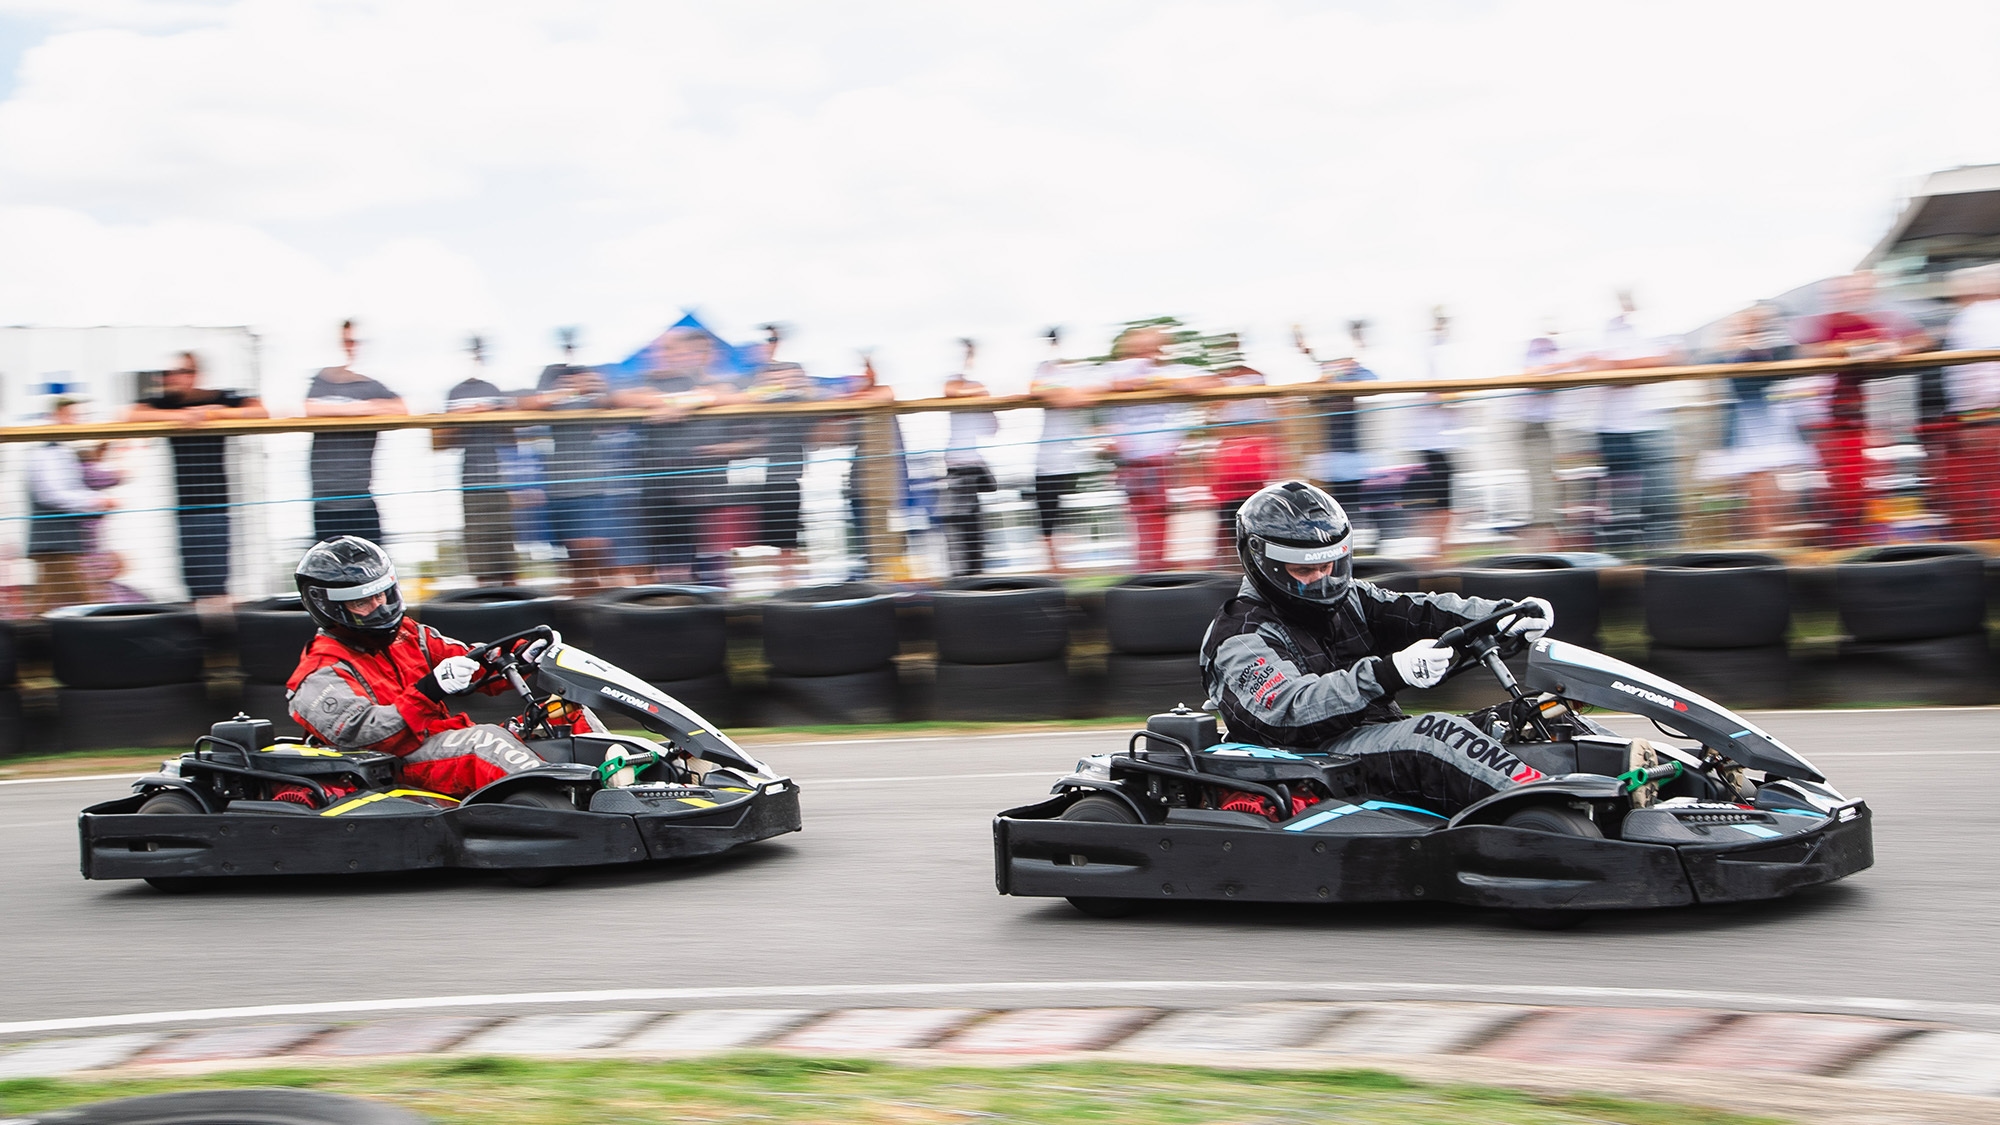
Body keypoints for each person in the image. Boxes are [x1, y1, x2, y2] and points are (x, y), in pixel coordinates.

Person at [1199, 481, 1561, 816]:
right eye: (1303, 570)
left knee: (1535, 714)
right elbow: (1290, 710)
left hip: (1374, 738)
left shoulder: (1350, 598)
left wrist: (1500, 616)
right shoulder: (1239, 635)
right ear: (1265, 563)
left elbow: (1420, 611)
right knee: (1437, 732)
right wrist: (1389, 672)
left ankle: (1607, 798)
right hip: (1313, 759)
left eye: (1329, 565)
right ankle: (1554, 811)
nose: (1322, 580)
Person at [286, 535, 549, 798]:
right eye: (362, 603)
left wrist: (519, 657)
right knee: (486, 741)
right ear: (329, 607)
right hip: (394, 766)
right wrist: (428, 690)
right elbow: (363, 735)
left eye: (382, 595)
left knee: (564, 713)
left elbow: (472, 661)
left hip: (445, 740)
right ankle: (556, 803)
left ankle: (585, 795)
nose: (380, 608)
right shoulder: (319, 673)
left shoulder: (409, 634)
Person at [125, 351, 268, 602]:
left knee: (216, 582)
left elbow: (260, 411)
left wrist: (213, 414)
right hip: (184, 508)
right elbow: (129, 415)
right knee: (193, 581)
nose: (174, 378)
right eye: (168, 374)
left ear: (195, 374)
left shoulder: (218, 397)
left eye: (182, 372)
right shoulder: (166, 402)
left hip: (216, 506)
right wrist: (182, 417)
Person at [1105, 324, 1218, 571]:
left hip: (1162, 459)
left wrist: (1154, 381)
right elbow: (1101, 383)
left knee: (1160, 513)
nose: (1150, 353)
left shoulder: (1171, 372)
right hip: (1135, 461)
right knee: (1145, 516)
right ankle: (1152, 569)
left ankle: (1157, 567)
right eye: (1143, 347)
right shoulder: (1116, 370)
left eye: (1155, 347)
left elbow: (1208, 382)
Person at [306, 320, 407, 544]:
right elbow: (309, 408)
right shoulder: (320, 380)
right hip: (325, 505)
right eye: (346, 341)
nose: (349, 346)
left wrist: (349, 410)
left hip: (360, 500)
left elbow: (401, 409)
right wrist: (361, 408)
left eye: (354, 341)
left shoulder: (371, 385)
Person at [26, 396, 120, 611]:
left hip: (62, 541)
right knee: (76, 598)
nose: (76, 421)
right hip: (54, 541)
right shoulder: (46, 453)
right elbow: (51, 493)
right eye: (72, 416)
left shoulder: (60, 452)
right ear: (56, 417)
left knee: (58, 598)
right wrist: (95, 500)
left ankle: (37, 637)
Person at [437, 336, 518, 585]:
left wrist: (497, 413)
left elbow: (512, 439)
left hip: (500, 483)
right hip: (471, 486)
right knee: (481, 560)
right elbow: (439, 442)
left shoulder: (495, 389)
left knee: (508, 561)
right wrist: (468, 415)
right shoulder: (455, 392)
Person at [1028, 327, 1107, 573]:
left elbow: (1094, 393)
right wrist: (1067, 394)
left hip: (1077, 459)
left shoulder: (1086, 370)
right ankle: (1056, 570)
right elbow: (1036, 389)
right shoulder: (1045, 367)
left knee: (1070, 515)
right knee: (1048, 515)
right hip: (1049, 458)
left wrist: (1062, 393)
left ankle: (1068, 568)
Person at [938, 338, 998, 576]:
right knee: (959, 525)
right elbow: (951, 390)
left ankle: (974, 574)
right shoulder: (954, 382)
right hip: (958, 466)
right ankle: (962, 576)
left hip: (971, 465)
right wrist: (982, 394)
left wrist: (984, 400)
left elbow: (992, 428)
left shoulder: (973, 386)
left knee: (973, 526)